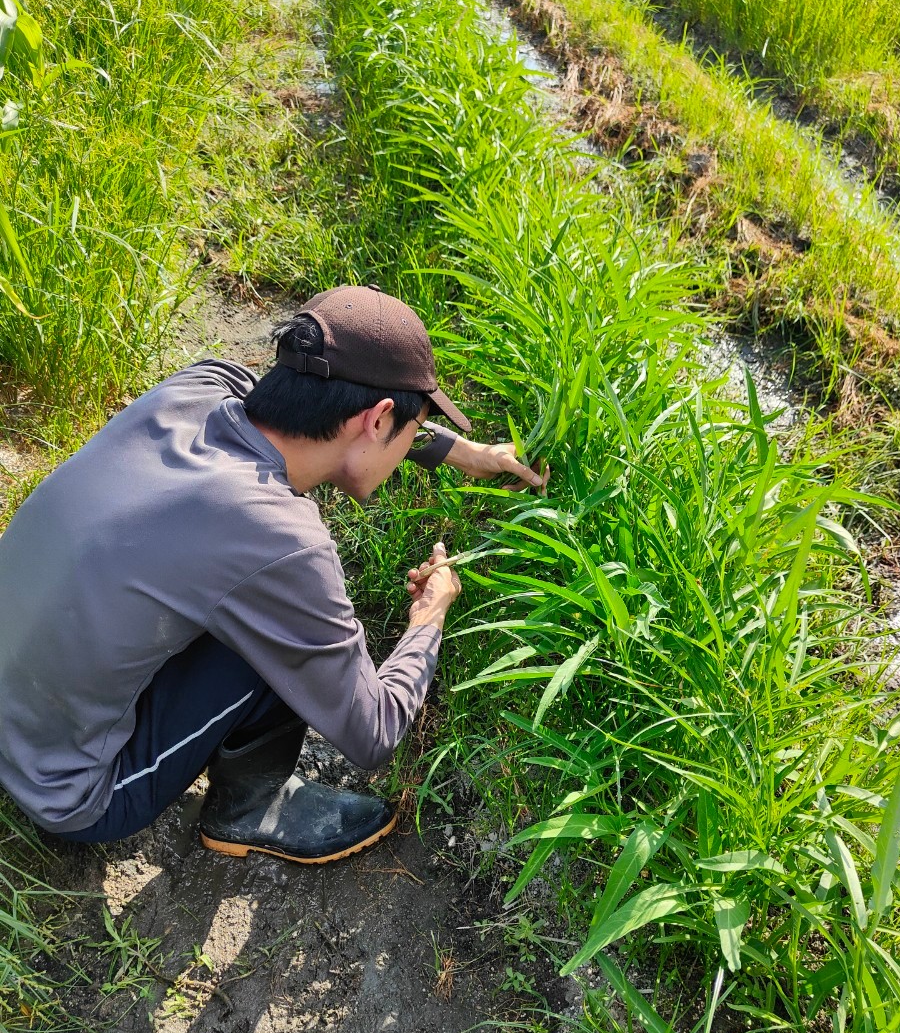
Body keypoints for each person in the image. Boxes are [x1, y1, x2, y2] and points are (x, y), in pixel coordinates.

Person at [0, 285, 543, 864]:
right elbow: (374, 732)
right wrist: (429, 617)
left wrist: (462, 452)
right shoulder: (277, 541)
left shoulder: (200, 387)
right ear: (380, 419)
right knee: (280, 631)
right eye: (413, 425)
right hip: (66, 786)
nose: (415, 436)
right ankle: (248, 806)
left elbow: (332, 411)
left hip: (21, 691)